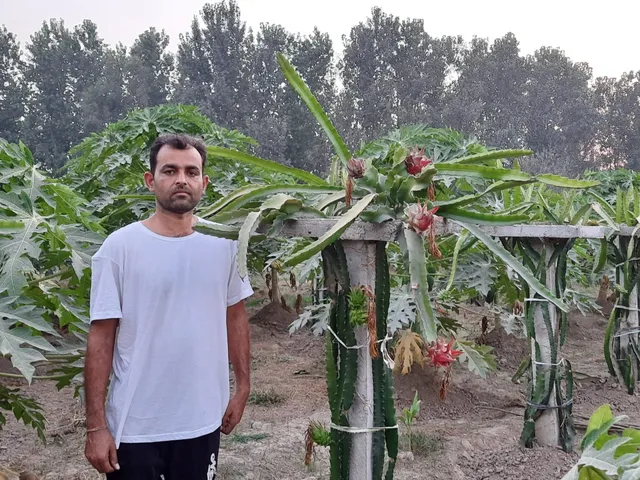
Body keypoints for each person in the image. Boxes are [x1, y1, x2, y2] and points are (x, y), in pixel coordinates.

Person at [84, 133, 253, 479]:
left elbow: (235, 316)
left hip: (201, 420)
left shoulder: (224, 245)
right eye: (169, 170)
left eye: (191, 172)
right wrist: (95, 427)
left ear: (204, 183)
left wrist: (243, 387)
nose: (181, 180)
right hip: (135, 425)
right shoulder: (119, 249)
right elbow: (101, 338)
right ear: (150, 180)